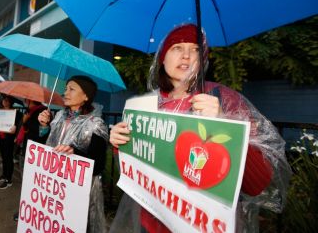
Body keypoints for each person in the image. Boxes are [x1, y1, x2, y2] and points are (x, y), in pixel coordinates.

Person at [109, 24, 291, 232]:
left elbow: (258, 184)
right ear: (163, 58)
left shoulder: (225, 100)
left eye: (195, 49)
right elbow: (136, 169)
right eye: (177, 48)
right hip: (151, 223)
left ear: (203, 59)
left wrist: (226, 126)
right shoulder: (147, 105)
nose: (186, 56)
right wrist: (120, 143)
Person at [38, 75, 109, 233]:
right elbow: (46, 146)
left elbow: (99, 163)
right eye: (65, 89)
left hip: (79, 192)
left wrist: (74, 153)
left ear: (85, 96)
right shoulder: (58, 117)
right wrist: (44, 127)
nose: (65, 93)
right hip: (54, 186)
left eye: (71, 89)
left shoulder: (95, 124)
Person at [0, 95, 23, 189]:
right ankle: (4, 175)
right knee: (3, 157)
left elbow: (21, 123)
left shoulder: (16, 112)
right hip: (1, 137)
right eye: (4, 100)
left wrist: (16, 127)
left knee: (8, 158)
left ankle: (8, 180)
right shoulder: (0, 111)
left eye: (7, 100)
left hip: (9, 138)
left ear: (10, 102)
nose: (5, 101)